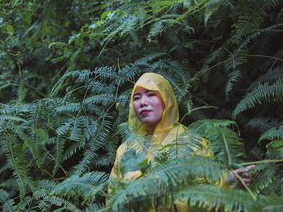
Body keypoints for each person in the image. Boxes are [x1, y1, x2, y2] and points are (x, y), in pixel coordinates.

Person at [108, 73, 254, 211]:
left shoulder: (192, 144)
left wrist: (228, 185)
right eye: (136, 97)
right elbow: (113, 200)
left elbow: (208, 196)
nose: (142, 103)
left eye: (151, 94)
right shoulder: (125, 150)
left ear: (167, 99)